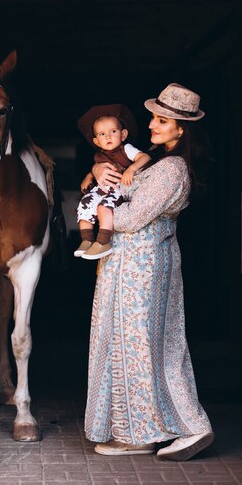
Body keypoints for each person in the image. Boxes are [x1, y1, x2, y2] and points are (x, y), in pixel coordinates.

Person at [85, 83, 214, 461]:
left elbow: (132, 217)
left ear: (181, 129)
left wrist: (99, 214)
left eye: (161, 121)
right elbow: (121, 189)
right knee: (156, 347)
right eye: (155, 118)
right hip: (137, 264)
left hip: (140, 269)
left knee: (137, 346)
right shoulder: (156, 162)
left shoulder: (171, 169)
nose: (152, 125)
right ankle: (182, 427)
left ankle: (143, 433)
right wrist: (98, 170)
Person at [75, 104, 150, 260]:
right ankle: (87, 239)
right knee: (85, 203)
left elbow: (145, 157)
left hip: (119, 188)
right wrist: (89, 176)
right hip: (102, 188)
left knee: (103, 207)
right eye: (102, 134)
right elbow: (96, 170)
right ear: (96, 141)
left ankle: (103, 241)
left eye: (113, 132)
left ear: (123, 135)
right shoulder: (99, 155)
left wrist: (131, 169)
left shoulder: (126, 149)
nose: (108, 137)